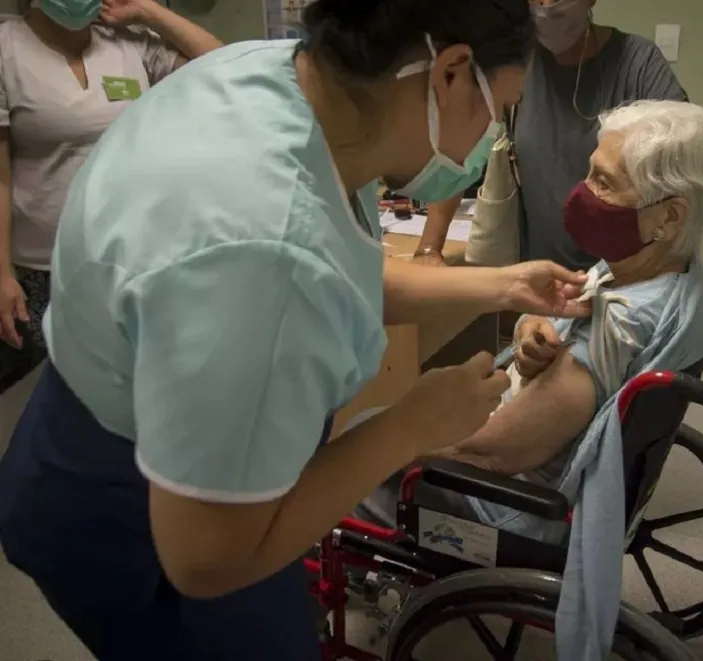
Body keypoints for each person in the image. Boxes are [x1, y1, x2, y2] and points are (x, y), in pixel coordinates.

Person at [0, 1, 589, 659]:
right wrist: (411, 424)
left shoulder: (270, 79)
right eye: (495, 108)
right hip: (128, 514)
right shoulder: (262, 252)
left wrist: (503, 283)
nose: (488, 138)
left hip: (115, 431)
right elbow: (206, 559)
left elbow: (333, 259)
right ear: (450, 72)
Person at [358, 99, 703, 539]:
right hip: (524, 449)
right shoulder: (656, 272)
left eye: (603, 181)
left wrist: (399, 433)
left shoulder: (623, 322)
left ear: (669, 215)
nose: (584, 190)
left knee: (364, 441)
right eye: (591, 171)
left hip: (503, 503)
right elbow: (558, 332)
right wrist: (531, 331)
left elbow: (495, 452)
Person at [414, 0, 703, 329]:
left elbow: (696, 158)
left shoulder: (637, 64)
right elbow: (464, 143)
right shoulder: (517, 64)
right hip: (539, 279)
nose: (546, 6)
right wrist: (430, 248)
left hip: (621, 285)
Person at [0, 0, 223, 444]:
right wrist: (0, 271)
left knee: (111, 418)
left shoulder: (129, 46)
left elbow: (223, 65)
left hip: (125, 264)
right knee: (33, 416)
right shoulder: (7, 47)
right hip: (39, 272)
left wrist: (150, 12)